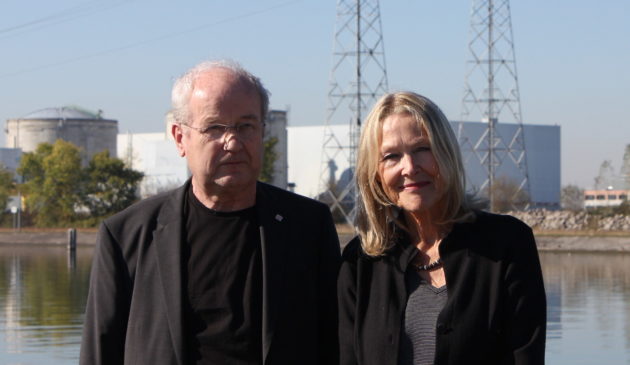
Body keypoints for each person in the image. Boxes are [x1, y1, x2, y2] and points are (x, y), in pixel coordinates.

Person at [80, 60, 341, 365]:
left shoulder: (308, 227)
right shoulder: (126, 236)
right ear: (180, 138)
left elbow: (335, 344)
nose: (232, 143)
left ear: (262, 132)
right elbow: (100, 352)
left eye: (246, 126)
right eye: (215, 128)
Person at [337, 91, 546, 365]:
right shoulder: (359, 262)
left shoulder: (506, 244)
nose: (409, 168)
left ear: (446, 152)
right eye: (391, 156)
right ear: (374, 174)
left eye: (422, 149)